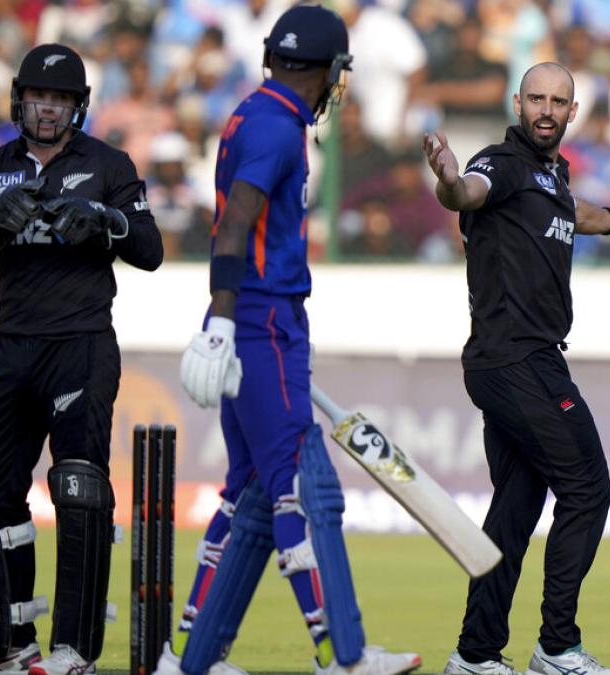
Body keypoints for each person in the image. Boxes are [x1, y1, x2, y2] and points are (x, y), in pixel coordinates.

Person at [166, 6, 420, 675]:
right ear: (328, 69)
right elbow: (234, 225)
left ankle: (189, 658)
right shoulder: (279, 128)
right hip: (262, 321)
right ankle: (343, 653)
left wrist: (224, 320)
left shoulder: (257, 112)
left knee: (245, 490)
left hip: (251, 319)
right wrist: (223, 322)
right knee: (303, 493)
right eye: (340, 71)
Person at [0, 43, 163, 675]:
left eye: (61, 100)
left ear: (79, 107)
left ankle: (75, 650)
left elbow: (149, 251)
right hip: (13, 346)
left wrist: (103, 218)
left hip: (83, 347)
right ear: (19, 99)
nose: (47, 109)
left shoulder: (108, 163)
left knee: (79, 490)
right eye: (39, 97)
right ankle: (12, 646)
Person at [423, 62, 610, 675]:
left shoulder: (552, 176)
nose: (547, 110)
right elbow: (466, 192)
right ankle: (557, 647)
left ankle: (475, 655)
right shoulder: (502, 162)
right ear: (518, 102)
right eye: (537, 99)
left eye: (559, 101)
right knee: (588, 487)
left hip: (519, 359)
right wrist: (446, 178)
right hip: (517, 359)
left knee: (517, 507)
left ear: (573, 113)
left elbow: (575, 216)